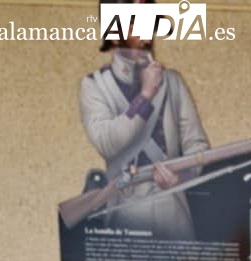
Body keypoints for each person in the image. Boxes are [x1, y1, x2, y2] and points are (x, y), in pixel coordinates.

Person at [79, 2, 209, 238]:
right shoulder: (95, 86)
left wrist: (180, 177)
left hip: (172, 211)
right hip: (124, 210)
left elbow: (197, 146)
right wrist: (146, 95)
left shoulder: (172, 82)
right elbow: (107, 142)